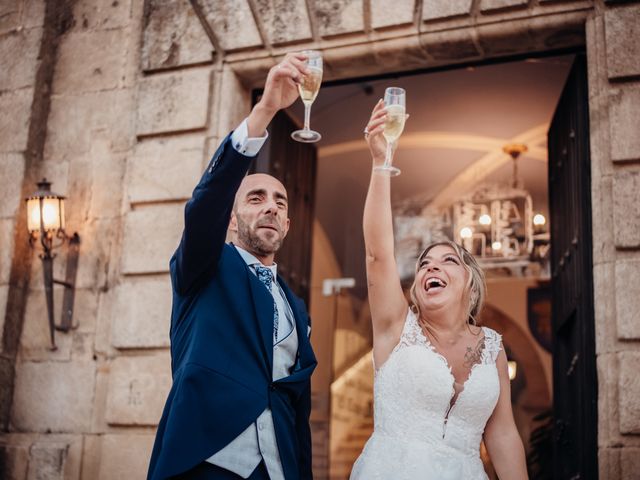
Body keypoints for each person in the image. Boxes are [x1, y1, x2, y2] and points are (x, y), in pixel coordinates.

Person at [147, 52, 317, 480]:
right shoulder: (203, 267)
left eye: (280, 202)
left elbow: (295, 403)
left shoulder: (295, 306)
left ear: (288, 224)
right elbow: (205, 204)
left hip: (277, 467)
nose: (271, 208)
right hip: (206, 459)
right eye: (255, 198)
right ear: (230, 216)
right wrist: (266, 110)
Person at [350, 100, 528, 479]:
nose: (432, 266)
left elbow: (503, 436)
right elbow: (378, 254)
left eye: (449, 261)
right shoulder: (396, 328)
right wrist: (381, 162)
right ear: (416, 289)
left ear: (471, 285)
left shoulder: (493, 347)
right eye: (425, 264)